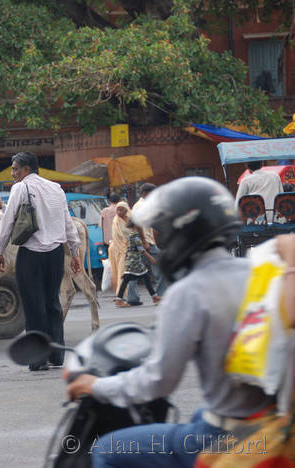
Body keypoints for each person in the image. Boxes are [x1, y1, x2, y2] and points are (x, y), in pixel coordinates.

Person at [66, 177, 275, 468]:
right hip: (270, 424)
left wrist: (96, 386)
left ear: (183, 233)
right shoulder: (260, 273)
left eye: (162, 231)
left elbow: (158, 381)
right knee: (200, 412)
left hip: (222, 434)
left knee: (106, 450)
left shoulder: (188, 292)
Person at [0, 152, 81, 371]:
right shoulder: (56, 188)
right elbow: (67, 220)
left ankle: (38, 358)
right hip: (55, 254)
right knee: (52, 303)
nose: (13, 173)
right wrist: (75, 251)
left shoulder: (20, 188)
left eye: (15, 169)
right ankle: (57, 355)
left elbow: (8, 222)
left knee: (34, 307)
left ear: (26, 169)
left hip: (31, 253)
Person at [114, 222, 160, 307]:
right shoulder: (135, 237)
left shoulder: (132, 235)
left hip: (133, 261)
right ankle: (119, 299)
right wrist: (151, 258)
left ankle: (154, 297)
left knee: (142, 278)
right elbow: (141, 250)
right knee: (130, 279)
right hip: (134, 262)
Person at [133, 183, 167, 296]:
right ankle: (160, 294)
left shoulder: (142, 205)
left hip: (143, 241)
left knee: (134, 271)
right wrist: (144, 241)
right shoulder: (141, 206)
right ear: (145, 193)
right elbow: (138, 225)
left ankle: (132, 297)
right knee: (160, 265)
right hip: (145, 242)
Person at [107, 201, 141, 305]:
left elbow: (137, 233)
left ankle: (128, 297)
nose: (119, 211)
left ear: (126, 210)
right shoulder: (116, 221)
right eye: (117, 209)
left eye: (121, 209)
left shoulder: (132, 219)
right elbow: (117, 237)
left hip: (130, 250)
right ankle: (120, 297)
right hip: (118, 249)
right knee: (119, 272)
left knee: (130, 274)